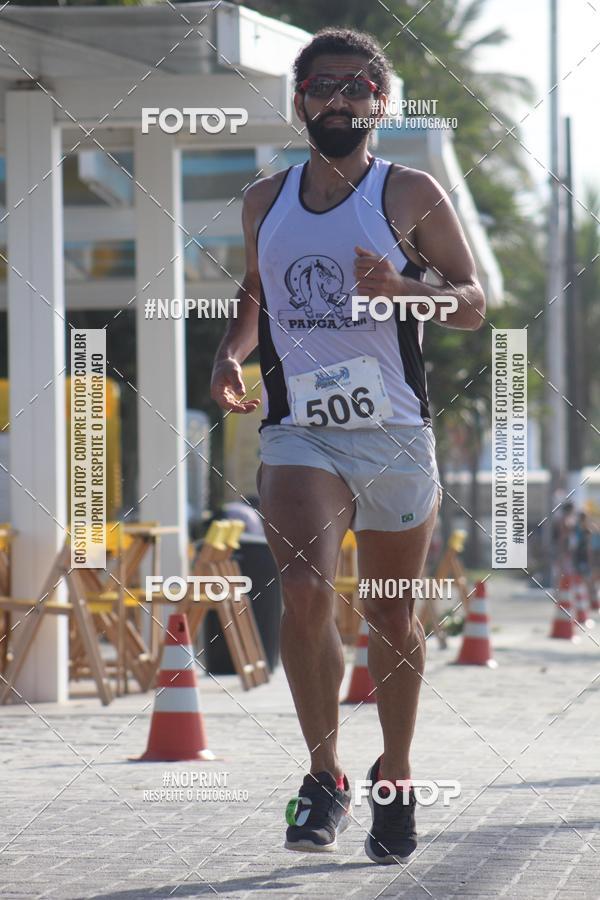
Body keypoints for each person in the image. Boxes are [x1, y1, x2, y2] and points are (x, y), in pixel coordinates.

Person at [210, 27, 485, 864]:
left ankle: (394, 775)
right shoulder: (266, 200)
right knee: (301, 587)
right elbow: (256, 299)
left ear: (382, 102)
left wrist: (404, 289)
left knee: (393, 610)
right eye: (323, 86)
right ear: (300, 100)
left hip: (395, 431)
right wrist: (231, 351)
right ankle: (324, 774)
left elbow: (471, 302)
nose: (340, 99)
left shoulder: (412, 193)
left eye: (357, 86)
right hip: (301, 431)